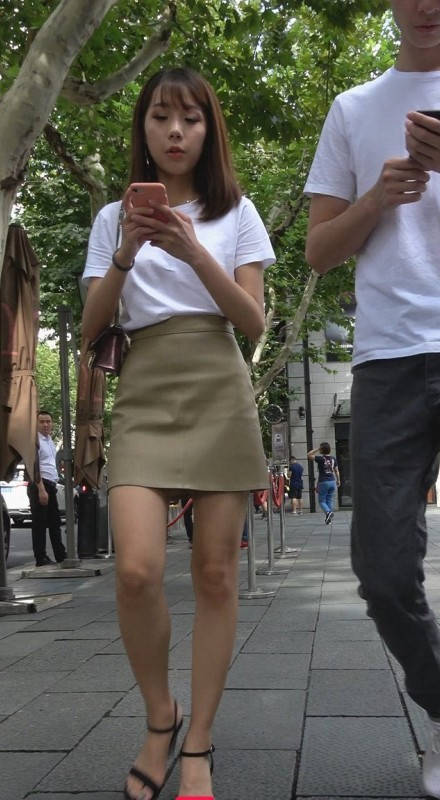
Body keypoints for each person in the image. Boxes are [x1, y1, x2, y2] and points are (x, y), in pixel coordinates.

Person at [81, 67, 274, 800]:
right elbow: (93, 325)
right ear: (143, 126)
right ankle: (161, 716)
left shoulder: (238, 213)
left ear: (208, 130)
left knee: (216, 574)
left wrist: (194, 250)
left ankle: (199, 741)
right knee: (135, 570)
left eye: (190, 118)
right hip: (146, 388)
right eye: (161, 116)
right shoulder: (113, 217)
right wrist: (128, 250)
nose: (175, 131)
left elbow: (253, 322)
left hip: (220, 385)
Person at [304, 2, 440, 794]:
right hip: (388, 358)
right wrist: (376, 201)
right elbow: (319, 250)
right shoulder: (353, 109)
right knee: (383, 572)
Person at [27, 411, 67, 567]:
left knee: (54, 522)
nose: (45, 425)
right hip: (40, 484)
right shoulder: (34, 441)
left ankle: (60, 554)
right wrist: (41, 489)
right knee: (40, 524)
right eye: (42, 422)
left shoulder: (49, 440)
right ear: (36, 424)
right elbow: (34, 465)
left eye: (48, 421)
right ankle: (40, 557)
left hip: (51, 484)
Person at [307, 443, 340, 524]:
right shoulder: (333, 459)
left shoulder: (320, 458)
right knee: (329, 500)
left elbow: (309, 454)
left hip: (323, 481)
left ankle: (328, 512)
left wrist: (318, 449)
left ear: (322, 449)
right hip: (332, 481)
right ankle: (329, 519)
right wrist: (338, 480)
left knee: (321, 501)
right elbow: (336, 471)